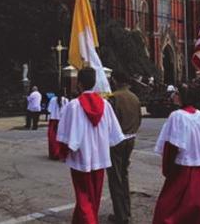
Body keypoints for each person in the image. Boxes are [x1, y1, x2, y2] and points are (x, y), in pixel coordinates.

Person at [152, 84, 200, 224]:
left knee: (174, 208)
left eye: (176, 93)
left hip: (185, 169)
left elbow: (172, 145)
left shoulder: (177, 116)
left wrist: (168, 169)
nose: (173, 96)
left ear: (182, 97)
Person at [56, 67, 125, 224]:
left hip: (81, 157)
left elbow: (64, 133)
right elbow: (115, 134)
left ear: (79, 84)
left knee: (83, 197)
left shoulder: (73, 106)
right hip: (100, 158)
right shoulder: (105, 105)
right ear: (94, 83)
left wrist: (63, 152)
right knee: (94, 196)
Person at [106, 71, 141, 224]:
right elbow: (139, 119)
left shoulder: (114, 98)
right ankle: (126, 211)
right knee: (124, 174)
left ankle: (120, 215)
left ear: (115, 80)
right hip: (130, 139)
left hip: (117, 141)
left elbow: (110, 123)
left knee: (115, 177)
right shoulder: (134, 97)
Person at [47, 90, 69, 160]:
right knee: (62, 137)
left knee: (53, 137)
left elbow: (49, 110)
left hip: (54, 120)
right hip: (62, 120)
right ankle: (61, 153)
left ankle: (54, 153)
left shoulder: (53, 99)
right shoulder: (66, 100)